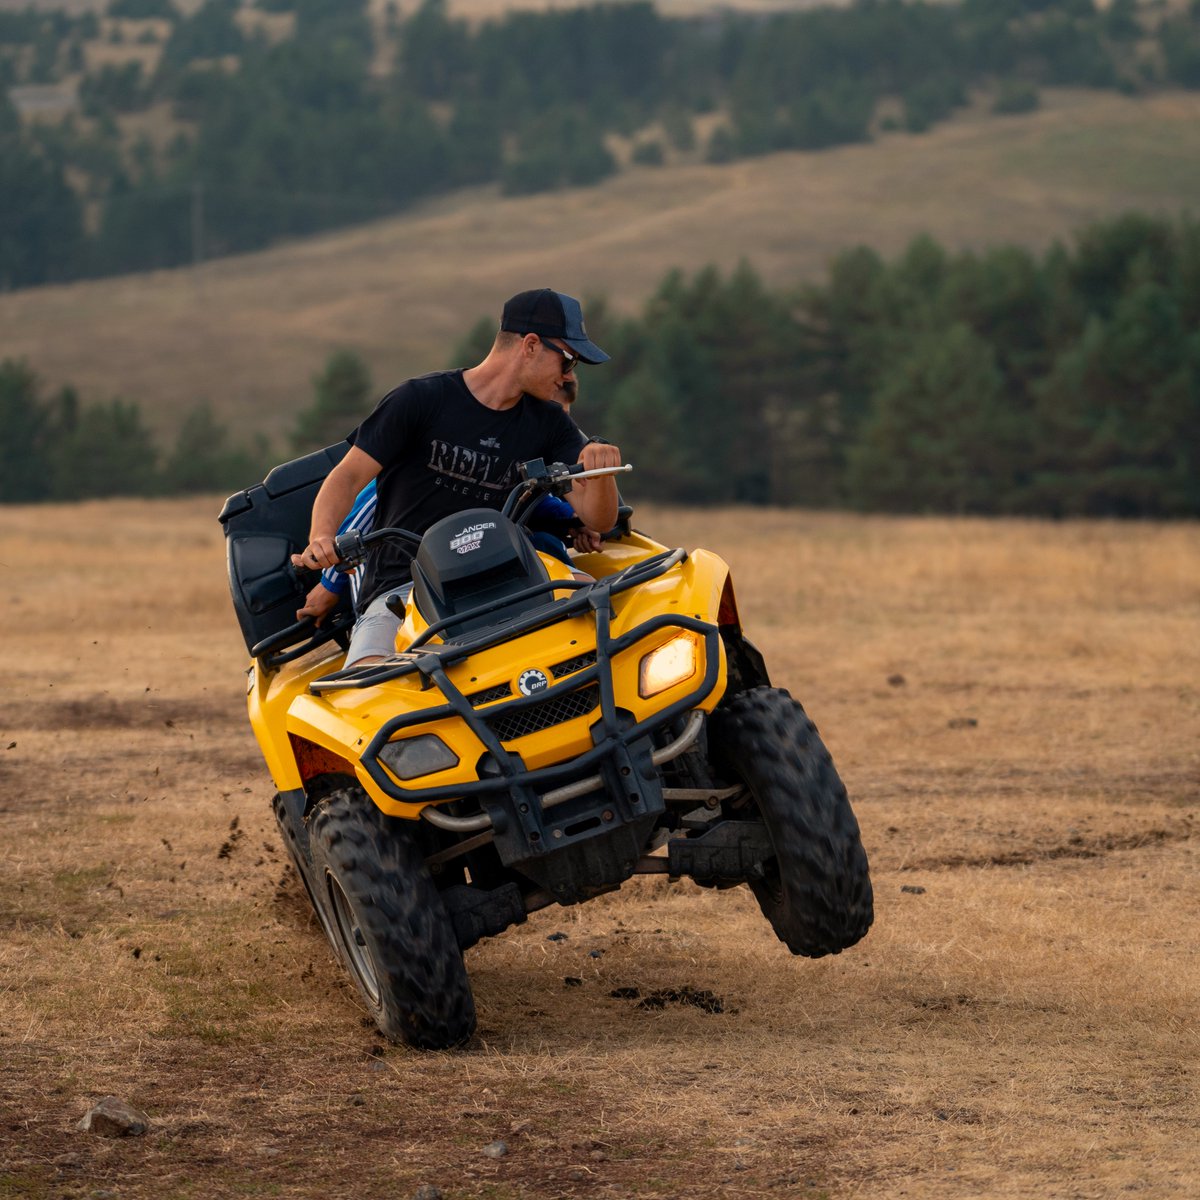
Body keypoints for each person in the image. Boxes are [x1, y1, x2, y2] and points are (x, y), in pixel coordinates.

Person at [291, 288, 622, 667]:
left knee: (607, 623)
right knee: (366, 681)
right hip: (403, 587)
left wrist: (601, 474)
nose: (567, 376)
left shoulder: (550, 423)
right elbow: (347, 478)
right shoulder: (420, 399)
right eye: (568, 361)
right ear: (530, 345)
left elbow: (600, 520)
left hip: (511, 578)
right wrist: (320, 537)